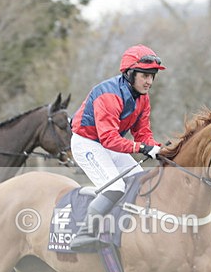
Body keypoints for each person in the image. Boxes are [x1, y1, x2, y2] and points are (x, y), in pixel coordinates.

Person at [69, 44, 165, 249]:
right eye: (145, 76)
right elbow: (109, 139)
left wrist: (160, 149)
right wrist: (142, 148)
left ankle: (124, 231)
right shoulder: (109, 95)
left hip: (109, 144)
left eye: (152, 76)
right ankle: (84, 233)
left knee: (139, 182)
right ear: (130, 74)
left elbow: (143, 133)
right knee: (115, 187)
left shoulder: (143, 98)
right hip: (87, 143)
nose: (149, 82)